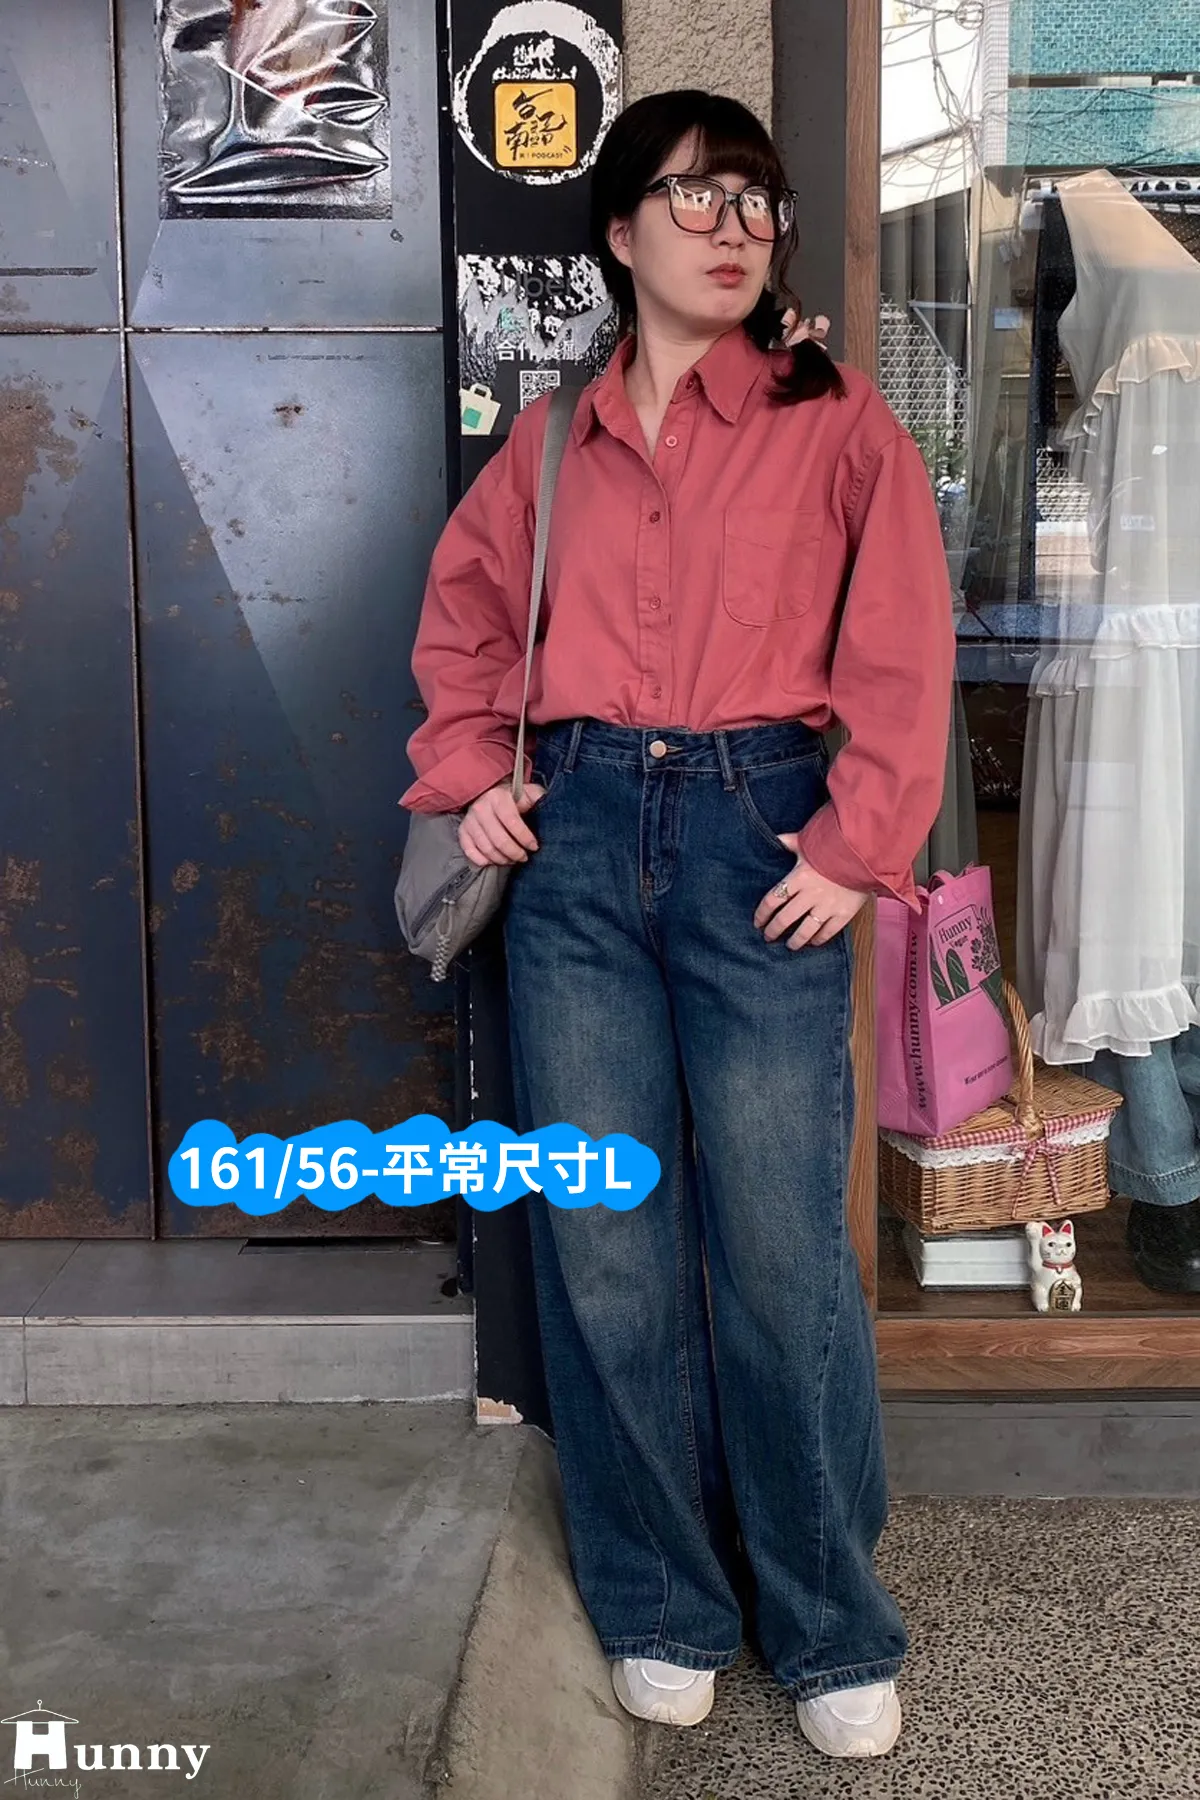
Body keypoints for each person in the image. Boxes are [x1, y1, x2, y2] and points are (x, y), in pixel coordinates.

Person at [400, 90, 955, 1760]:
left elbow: (902, 642)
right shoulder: (549, 441)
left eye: (757, 200)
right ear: (622, 230)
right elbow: (469, 623)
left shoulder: (833, 418)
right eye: (696, 196)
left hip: (757, 835)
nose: (735, 227)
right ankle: (660, 1597)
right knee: (608, 1241)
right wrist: (469, 777)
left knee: (781, 1249)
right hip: (574, 849)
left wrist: (857, 846)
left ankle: (828, 1615)